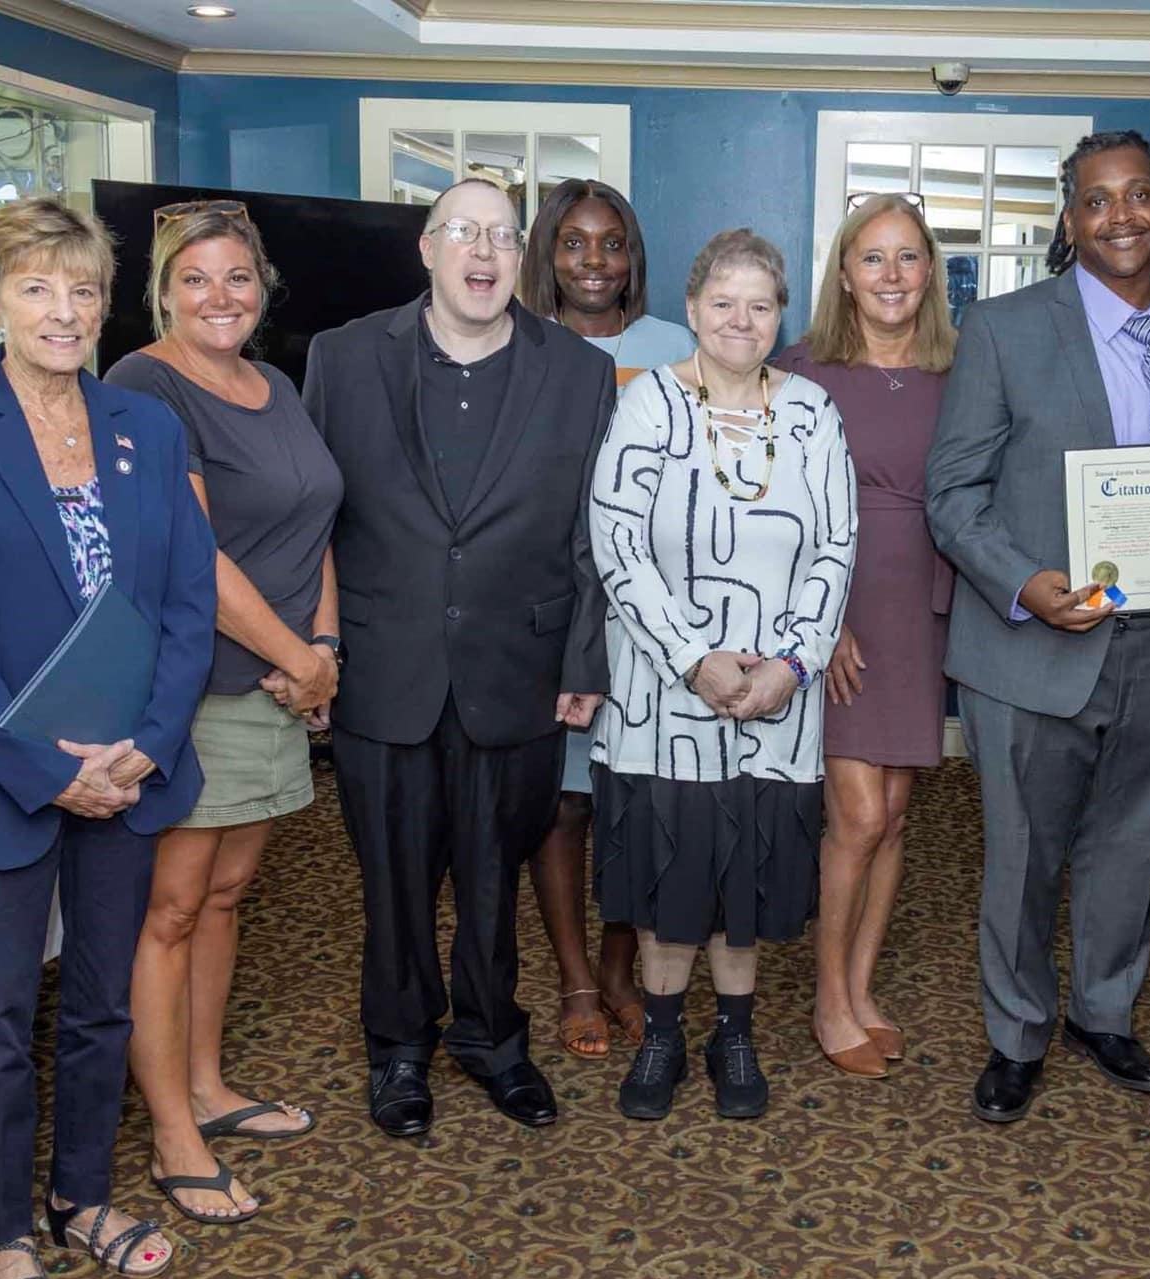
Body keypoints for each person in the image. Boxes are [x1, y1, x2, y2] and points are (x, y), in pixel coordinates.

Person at [0, 197, 215, 1279]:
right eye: (35, 287)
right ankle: (0, 1228)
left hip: (126, 773)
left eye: (81, 290)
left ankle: (80, 1193)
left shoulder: (147, 428)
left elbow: (180, 606)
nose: (62, 311)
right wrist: (47, 768)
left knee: (104, 1004)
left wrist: (145, 748)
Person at [926, 129, 1150, 1123]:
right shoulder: (1005, 327)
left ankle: (1105, 1012)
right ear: (1071, 219)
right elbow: (952, 493)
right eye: (1098, 201)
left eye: (1138, 194)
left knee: (1133, 844)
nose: (1121, 216)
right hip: (1035, 641)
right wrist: (1027, 583)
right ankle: (1016, 1031)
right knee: (1023, 854)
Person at [303, 177, 614, 1138]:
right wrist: (314, 650)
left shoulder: (577, 370)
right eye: (464, 232)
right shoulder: (344, 357)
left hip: (516, 668)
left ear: (518, 256)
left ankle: (492, 1039)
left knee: (493, 874)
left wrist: (583, 659)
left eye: (502, 235)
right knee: (393, 881)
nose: (484, 252)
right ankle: (398, 1048)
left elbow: (592, 533)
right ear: (428, 249)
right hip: (382, 666)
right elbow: (310, 516)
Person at [587, 228, 857, 1121]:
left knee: (743, 877)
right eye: (723, 302)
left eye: (761, 304)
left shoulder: (814, 412)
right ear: (694, 308)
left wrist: (790, 663)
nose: (741, 319)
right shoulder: (650, 404)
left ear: (782, 316)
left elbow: (836, 549)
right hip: (664, 699)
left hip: (778, 703)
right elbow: (617, 545)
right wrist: (694, 659)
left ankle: (732, 1032)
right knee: (671, 883)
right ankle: (662, 1030)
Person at [105, 200, 339, 1226]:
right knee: (170, 907)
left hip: (283, 686)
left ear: (263, 286)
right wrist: (298, 656)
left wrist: (323, 652)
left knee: (230, 891)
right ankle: (171, 1130)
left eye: (236, 277)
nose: (219, 296)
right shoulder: (143, 382)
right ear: (162, 290)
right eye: (194, 278)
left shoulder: (275, 383)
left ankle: (207, 1083)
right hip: (195, 687)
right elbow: (193, 551)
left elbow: (316, 518)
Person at [774, 193, 955, 1079]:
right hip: (838, 606)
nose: (891, 275)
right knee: (854, 812)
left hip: (924, 603)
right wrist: (822, 618)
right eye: (872, 258)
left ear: (931, 274)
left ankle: (860, 981)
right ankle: (825, 999)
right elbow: (773, 504)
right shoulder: (802, 369)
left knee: (894, 814)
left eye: (908, 257)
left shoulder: (959, 367)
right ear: (843, 273)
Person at [514, 179, 691, 1060]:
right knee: (567, 804)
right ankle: (578, 979)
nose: (595, 262)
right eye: (575, 243)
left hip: (656, 615)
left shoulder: (674, 349)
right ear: (547, 252)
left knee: (642, 803)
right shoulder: (519, 346)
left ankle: (623, 968)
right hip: (555, 607)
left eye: (612, 243)